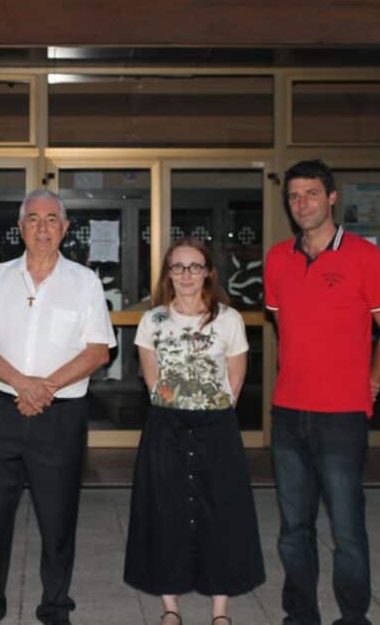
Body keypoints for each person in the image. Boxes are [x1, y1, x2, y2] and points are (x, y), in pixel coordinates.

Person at [0, 189, 117, 625]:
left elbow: (97, 352)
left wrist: (44, 388)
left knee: (58, 517)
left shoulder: (84, 282)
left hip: (60, 415)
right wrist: (21, 384)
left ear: (65, 229)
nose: (43, 227)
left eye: (52, 219)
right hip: (2, 409)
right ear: (20, 228)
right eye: (34, 218)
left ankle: (55, 607)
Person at [265, 160, 380, 625]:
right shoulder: (278, 258)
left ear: (331, 198)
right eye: (293, 196)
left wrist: (373, 380)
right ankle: (300, 615)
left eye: (310, 194)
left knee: (346, 529)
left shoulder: (365, 256)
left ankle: (353, 618)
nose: (301, 204)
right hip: (288, 412)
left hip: (341, 414)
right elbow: (284, 324)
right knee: (293, 530)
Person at [124, 238, 264, 625]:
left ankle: (220, 609)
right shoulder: (152, 321)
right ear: (168, 274)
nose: (186, 275)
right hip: (166, 425)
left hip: (215, 426)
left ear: (208, 272)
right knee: (165, 510)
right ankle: (171, 605)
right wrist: (178, 408)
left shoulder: (228, 320)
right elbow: (152, 381)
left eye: (194, 266)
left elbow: (235, 381)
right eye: (178, 267)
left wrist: (209, 412)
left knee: (221, 511)